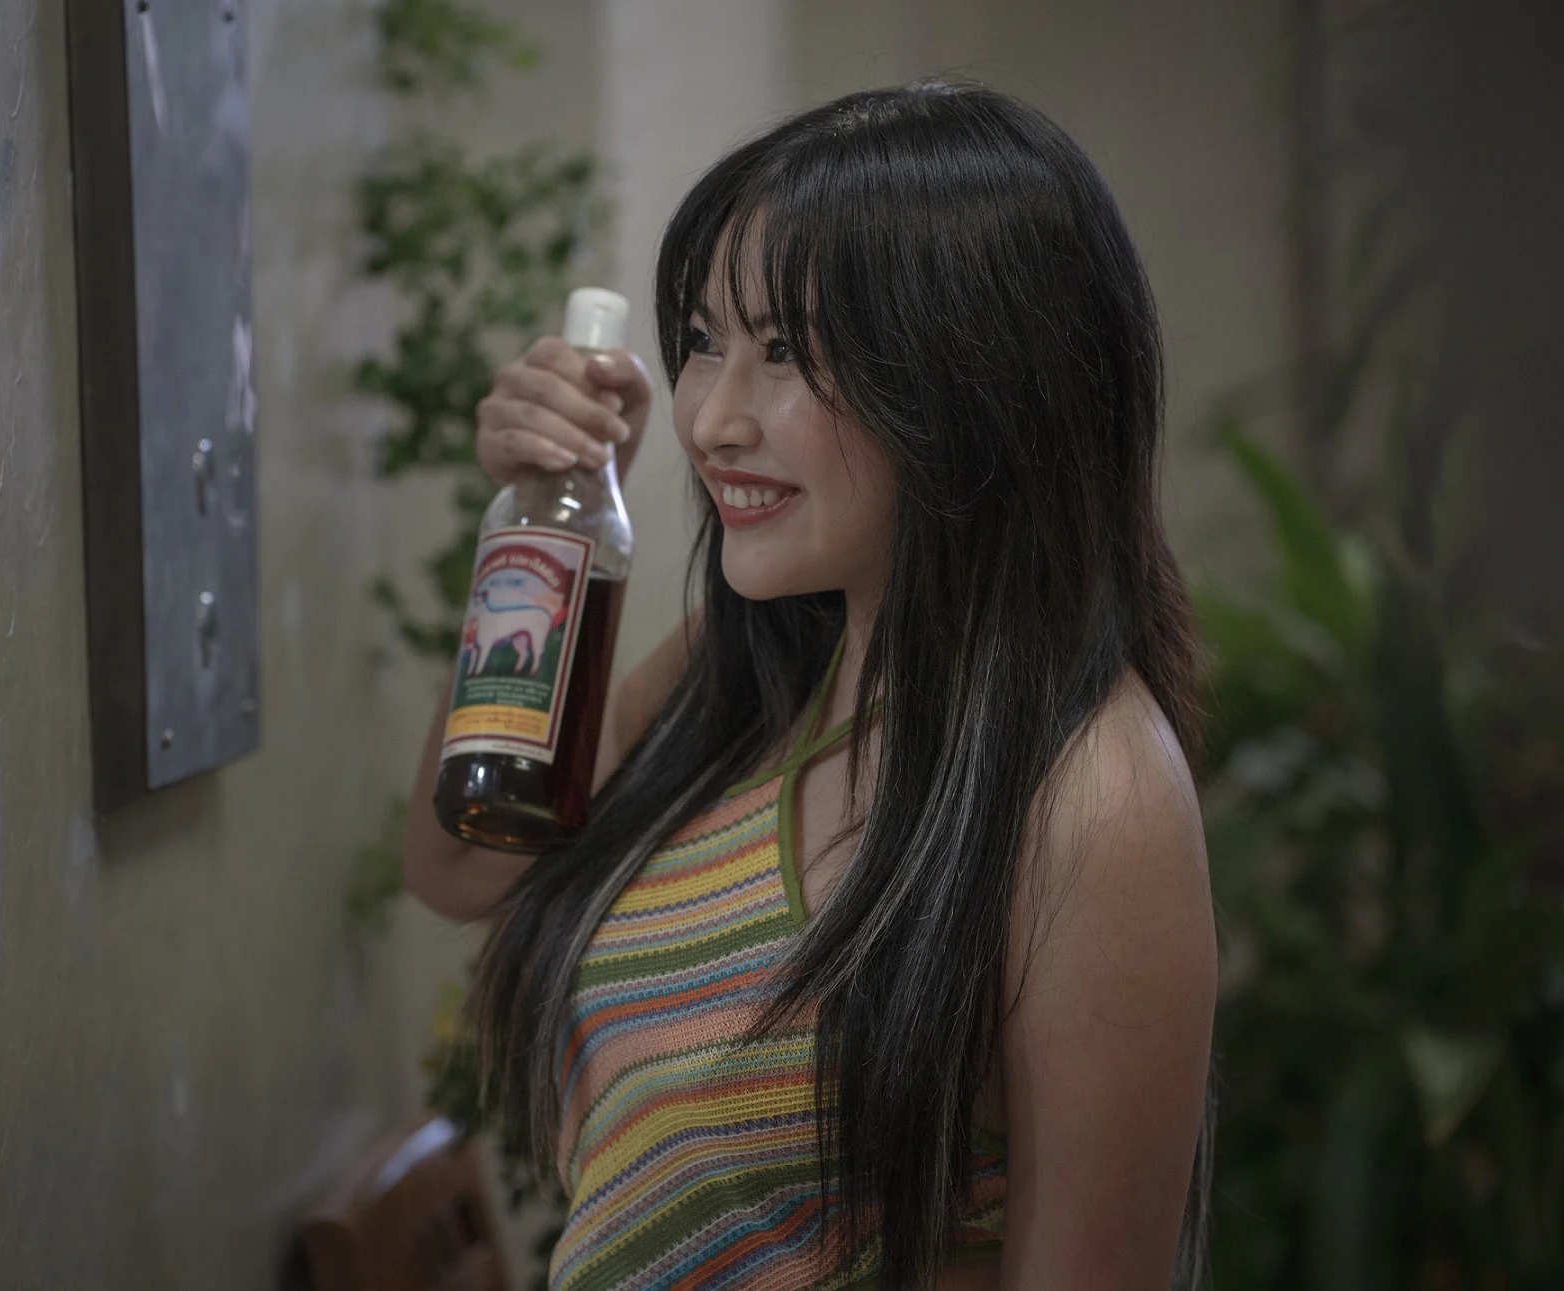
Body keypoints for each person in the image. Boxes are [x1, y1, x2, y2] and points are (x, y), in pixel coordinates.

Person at [402, 81, 1215, 1291]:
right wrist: (546, 522)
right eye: (703, 341)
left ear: (976, 380)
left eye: (784, 352)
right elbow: (463, 864)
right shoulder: (755, 669)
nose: (713, 421)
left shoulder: (1093, 791)